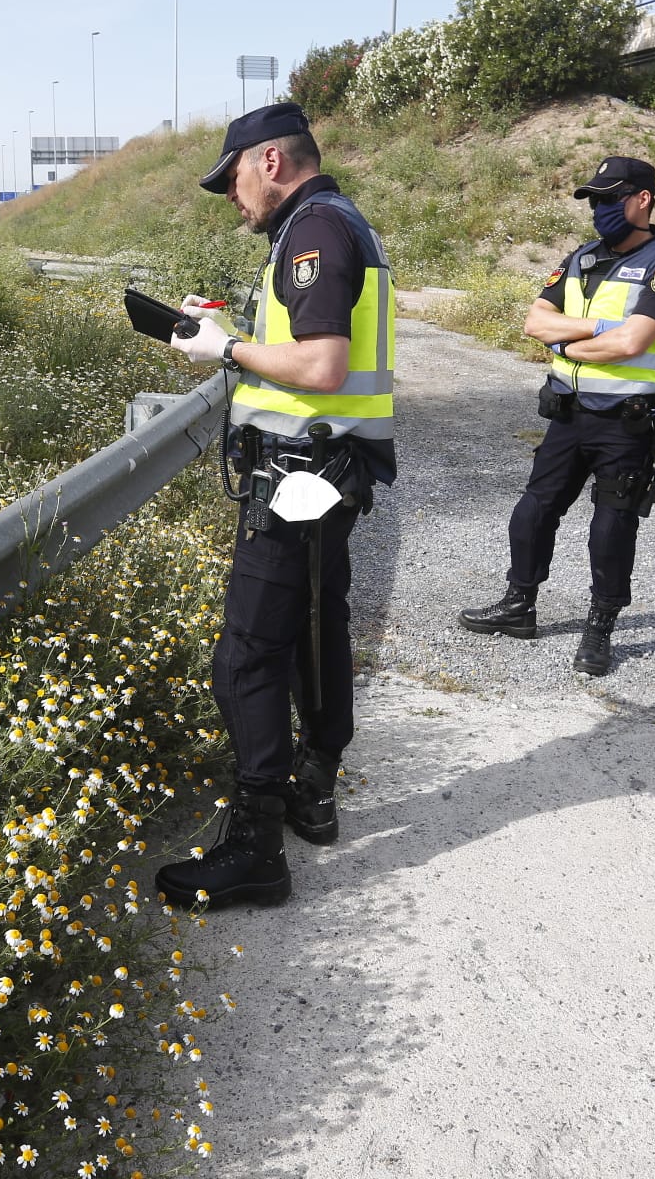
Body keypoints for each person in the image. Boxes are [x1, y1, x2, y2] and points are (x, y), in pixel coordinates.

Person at [152, 102, 396, 911]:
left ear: (270, 163)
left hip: (299, 474)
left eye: (232, 181)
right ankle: (313, 786)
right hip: (329, 470)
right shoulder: (338, 222)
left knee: (248, 656)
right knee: (315, 629)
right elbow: (311, 345)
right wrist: (231, 327)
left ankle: (256, 844)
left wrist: (219, 349)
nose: (231, 198)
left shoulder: (313, 235)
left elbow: (323, 365)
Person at [458, 155, 655, 675]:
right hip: (568, 414)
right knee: (533, 511)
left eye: (610, 198)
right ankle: (519, 604)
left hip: (628, 422)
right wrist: (596, 332)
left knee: (611, 528)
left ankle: (600, 627)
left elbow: (634, 341)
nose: (600, 209)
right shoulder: (581, 258)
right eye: (594, 200)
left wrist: (569, 342)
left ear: (643, 199)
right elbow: (534, 321)